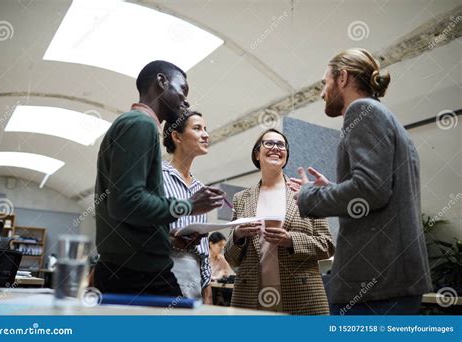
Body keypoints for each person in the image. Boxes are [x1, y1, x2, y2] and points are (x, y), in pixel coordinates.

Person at [291, 48, 432, 315]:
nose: (322, 93)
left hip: (375, 282)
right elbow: (376, 188)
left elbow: (370, 190)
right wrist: (332, 190)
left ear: (342, 78)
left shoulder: (361, 110)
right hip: (391, 279)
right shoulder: (385, 116)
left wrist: (309, 196)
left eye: (325, 83)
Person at [94, 60, 224, 296]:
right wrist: (189, 205)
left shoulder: (133, 123)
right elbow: (126, 202)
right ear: (161, 82)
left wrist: (168, 240)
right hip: (139, 274)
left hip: (126, 269)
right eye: (182, 90)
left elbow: (131, 212)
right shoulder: (141, 125)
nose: (185, 100)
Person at [224, 129, 335, 315]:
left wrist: (291, 240)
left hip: (301, 292)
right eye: (269, 143)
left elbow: (328, 245)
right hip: (251, 293)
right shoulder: (241, 198)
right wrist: (238, 235)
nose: (276, 148)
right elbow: (231, 257)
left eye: (281, 145)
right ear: (256, 154)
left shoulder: (304, 192)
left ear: (286, 155)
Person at [162, 110, 213, 303]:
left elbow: (204, 251)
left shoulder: (200, 189)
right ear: (176, 136)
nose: (206, 134)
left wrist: (207, 290)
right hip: (162, 273)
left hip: (194, 280)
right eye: (198, 128)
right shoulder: (157, 177)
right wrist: (171, 240)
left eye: (206, 129)